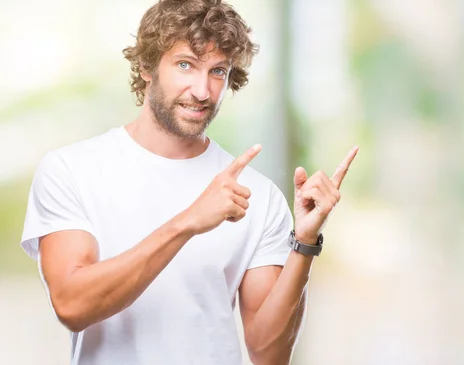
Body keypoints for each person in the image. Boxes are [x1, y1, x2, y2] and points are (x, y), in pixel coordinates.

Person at [20, 0, 358, 364]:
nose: (202, 91)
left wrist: (304, 244)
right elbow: (72, 305)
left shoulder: (257, 195)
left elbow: (268, 353)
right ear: (148, 66)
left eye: (217, 71)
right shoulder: (71, 170)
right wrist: (188, 222)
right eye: (186, 65)